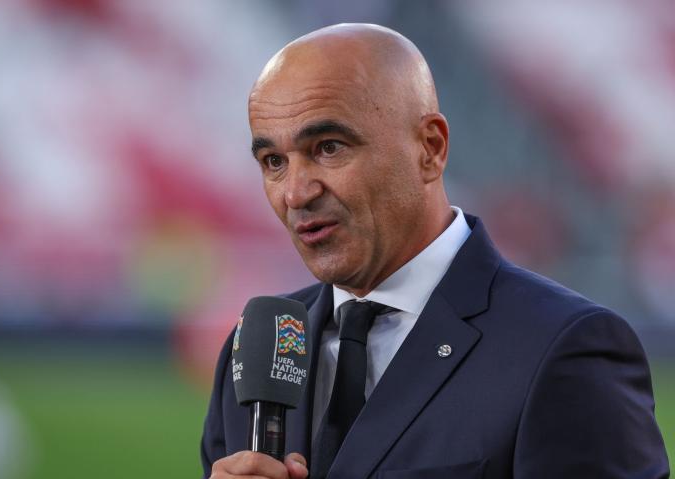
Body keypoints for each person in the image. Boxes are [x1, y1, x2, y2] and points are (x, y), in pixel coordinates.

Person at [201, 23, 670, 479]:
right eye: (274, 161)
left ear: (430, 148)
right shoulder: (257, 348)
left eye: (328, 147)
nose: (295, 193)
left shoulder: (564, 347)